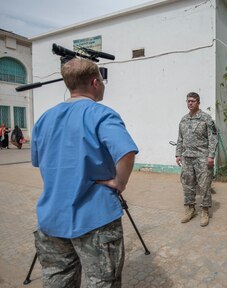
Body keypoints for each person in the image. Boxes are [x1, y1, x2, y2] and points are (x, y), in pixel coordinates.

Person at [31, 58, 138, 287]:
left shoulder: (44, 119)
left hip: (51, 218)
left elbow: (40, 162)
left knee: (58, 279)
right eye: (101, 79)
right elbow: (126, 152)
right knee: (101, 281)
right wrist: (119, 182)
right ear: (95, 83)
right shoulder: (101, 114)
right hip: (95, 218)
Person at [175, 92, 218, 227]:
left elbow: (213, 138)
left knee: (204, 185)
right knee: (187, 184)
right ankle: (190, 209)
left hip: (202, 157)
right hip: (187, 157)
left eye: (193, 101)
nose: (190, 103)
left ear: (198, 102)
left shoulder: (206, 118)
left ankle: (204, 211)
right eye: (188, 101)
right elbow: (180, 138)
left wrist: (211, 156)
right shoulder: (183, 120)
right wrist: (178, 154)